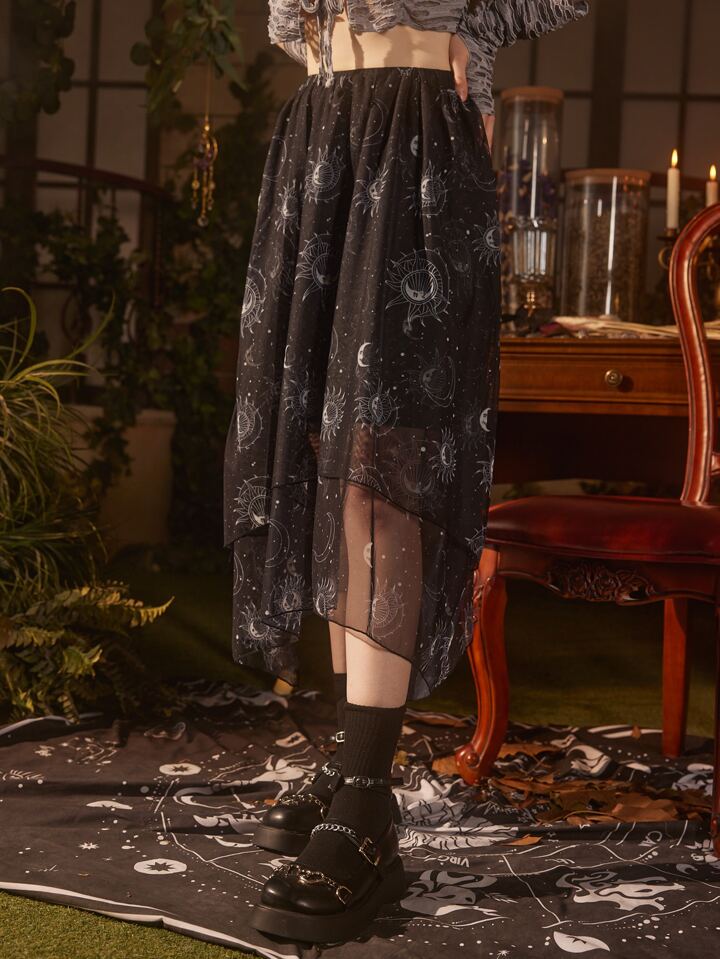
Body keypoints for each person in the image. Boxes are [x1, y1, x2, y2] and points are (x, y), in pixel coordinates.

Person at [223, 0, 589, 942]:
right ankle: (356, 760)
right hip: (319, 129)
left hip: (417, 131)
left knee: (382, 462)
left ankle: (365, 802)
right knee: (327, 455)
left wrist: (485, 32)